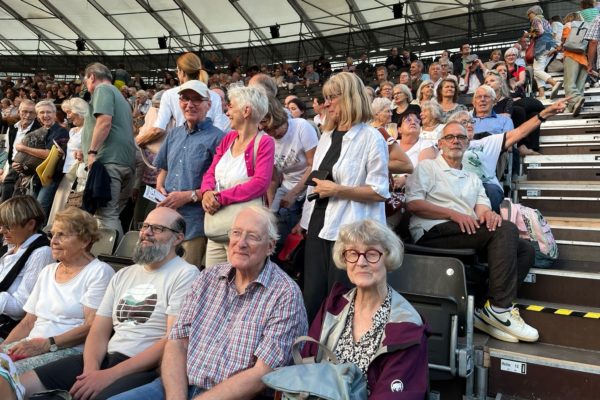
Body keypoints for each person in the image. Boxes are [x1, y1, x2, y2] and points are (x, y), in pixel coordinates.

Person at [108, 206, 308, 400]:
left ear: (270, 246)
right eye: (236, 233)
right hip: (179, 385)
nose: (241, 243)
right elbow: (177, 343)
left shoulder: (285, 294)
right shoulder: (208, 277)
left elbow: (262, 374)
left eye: (253, 236)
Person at [20, 207, 200, 399]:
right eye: (145, 226)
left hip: (145, 368)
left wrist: (109, 376)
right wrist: (90, 372)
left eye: (157, 228)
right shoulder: (123, 274)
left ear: (178, 238)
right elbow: (99, 330)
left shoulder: (186, 275)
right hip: (105, 358)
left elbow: (172, 340)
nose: (146, 233)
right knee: (15, 384)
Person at [405, 122, 539, 343]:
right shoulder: (428, 168)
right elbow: (413, 204)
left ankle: (484, 310)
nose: (455, 141)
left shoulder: (472, 178)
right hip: (433, 230)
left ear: (467, 143)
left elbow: (482, 209)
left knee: (524, 249)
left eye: (460, 137)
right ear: (440, 143)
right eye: (449, 137)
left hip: (465, 230)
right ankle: (500, 308)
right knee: (506, 230)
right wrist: (453, 214)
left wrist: (489, 215)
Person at [296, 72, 390, 321]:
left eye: (331, 98)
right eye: (325, 99)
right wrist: (304, 224)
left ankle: (339, 357)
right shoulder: (325, 137)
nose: (325, 104)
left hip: (350, 232)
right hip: (319, 225)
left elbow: (380, 191)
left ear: (349, 98)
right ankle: (310, 354)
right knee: (313, 297)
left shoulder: (371, 138)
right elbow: (316, 184)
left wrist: (338, 190)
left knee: (343, 301)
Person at [302, 219, 429, 398]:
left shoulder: (407, 325)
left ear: (388, 257)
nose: (361, 262)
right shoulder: (333, 306)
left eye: (371, 253)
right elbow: (306, 367)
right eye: (353, 253)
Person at [1, 208, 114, 374]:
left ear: (85, 240)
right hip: (32, 344)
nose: (53, 241)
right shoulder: (48, 271)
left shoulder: (99, 272)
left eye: (62, 235)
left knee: (6, 376)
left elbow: (93, 326)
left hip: (68, 351)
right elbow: (28, 322)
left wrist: (48, 343)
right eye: (52, 234)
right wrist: (3, 348)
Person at [200, 86, 274, 267]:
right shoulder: (228, 138)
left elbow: (260, 184)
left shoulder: (265, 142)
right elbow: (210, 171)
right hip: (218, 227)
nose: (227, 112)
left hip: (244, 234)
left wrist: (220, 197)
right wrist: (207, 192)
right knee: (213, 280)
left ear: (246, 111)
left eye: (231, 107)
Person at [449, 97, 567, 211]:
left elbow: (520, 132)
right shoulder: (444, 146)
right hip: (456, 185)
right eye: (464, 122)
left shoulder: (486, 142)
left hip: (485, 186)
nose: (470, 125)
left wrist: (545, 113)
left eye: (471, 121)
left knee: (490, 192)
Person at [154, 80, 225, 269]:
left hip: (194, 225)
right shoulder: (174, 134)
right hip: (166, 219)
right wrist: (159, 187)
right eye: (185, 99)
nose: (190, 104)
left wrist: (189, 196)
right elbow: (164, 169)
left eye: (196, 99)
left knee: (187, 278)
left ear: (208, 105)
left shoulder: (219, 138)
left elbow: (222, 186)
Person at [81, 62, 136, 239]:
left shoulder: (102, 90)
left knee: (105, 216)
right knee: (112, 214)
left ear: (92, 77)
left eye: (86, 81)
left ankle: (108, 259)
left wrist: (91, 152)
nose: (86, 86)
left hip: (108, 162)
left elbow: (104, 122)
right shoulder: (122, 98)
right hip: (125, 162)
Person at [263, 98, 318, 252]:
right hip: (287, 186)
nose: (272, 133)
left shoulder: (301, 127)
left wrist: (294, 194)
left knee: (305, 231)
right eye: (267, 130)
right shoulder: (267, 138)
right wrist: (271, 205)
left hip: (310, 186)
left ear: (282, 120)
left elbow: (313, 165)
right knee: (272, 229)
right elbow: (273, 179)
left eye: (274, 128)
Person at [0, 196, 53, 338]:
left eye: (8, 226)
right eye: (1, 225)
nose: (2, 231)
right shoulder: (11, 246)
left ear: (30, 224)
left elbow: (21, 308)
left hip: (12, 329)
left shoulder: (41, 252)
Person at [46, 98, 87, 226]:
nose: (68, 116)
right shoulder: (73, 130)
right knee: (60, 206)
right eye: (66, 113)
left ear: (80, 111)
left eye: (69, 112)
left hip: (79, 175)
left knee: (71, 211)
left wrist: (83, 155)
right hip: (67, 172)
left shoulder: (90, 130)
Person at [1, 100, 41, 202]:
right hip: (11, 166)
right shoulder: (12, 128)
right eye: (24, 111)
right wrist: (4, 168)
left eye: (31, 112)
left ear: (36, 114)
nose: (28, 115)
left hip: (30, 170)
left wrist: (23, 165)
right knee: (6, 194)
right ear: (19, 112)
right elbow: (8, 150)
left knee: (13, 197)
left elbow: (39, 153)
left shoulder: (39, 130)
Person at [525, 6, 562, 99]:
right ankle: (542, 94)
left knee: (537, 71)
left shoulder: (536, 19)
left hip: (541, 47)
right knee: (539, 70)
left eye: (529, 15)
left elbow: (540, 31)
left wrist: (528, 34)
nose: (529, 17)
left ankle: (554, 83)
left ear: (534, 12)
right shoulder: (546, 21)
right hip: (549, 46)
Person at [369, 98, 414, 174]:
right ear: (376, 114)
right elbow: (408, 166)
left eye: (391, 111)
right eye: (387, 111)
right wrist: (373, 165)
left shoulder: (366, 130)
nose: (391, 114)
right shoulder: (381, 132)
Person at [560, 12, 588, 116]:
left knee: (569, 84)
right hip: (584, 59)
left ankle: (577, 99)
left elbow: (564, 42)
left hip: (571, 56)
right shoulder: (586, 28)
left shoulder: (568, 26)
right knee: (579, 86)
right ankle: (573, 107)